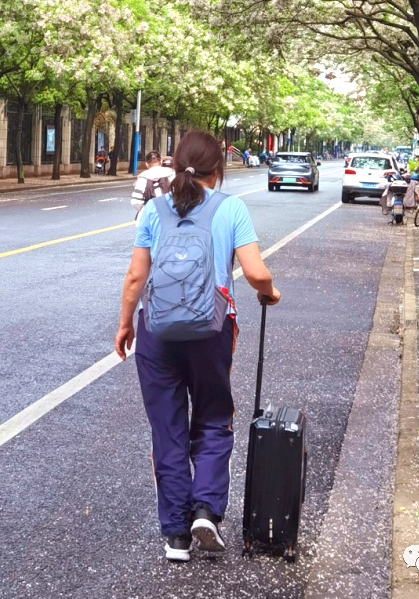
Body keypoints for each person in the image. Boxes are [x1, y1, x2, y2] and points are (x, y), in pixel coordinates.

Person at [115, 130, 280, 564]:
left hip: (158, 332)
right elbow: (256, 273)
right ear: (218, 170)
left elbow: (136, 277)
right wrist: (270, 293)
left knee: (166, 431)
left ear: (173, 165)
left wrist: (125, 325)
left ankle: (175, 536)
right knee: (212, 416)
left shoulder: (153, 209)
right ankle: (205, 508)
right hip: (211, 330)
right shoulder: (231, 208)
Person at [130, 150, 176, 219]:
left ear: (147, 164)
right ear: (160, 162)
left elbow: (136, 201)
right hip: (170, 216)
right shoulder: (172, 174)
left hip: (150, 217)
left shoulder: (143, 177)